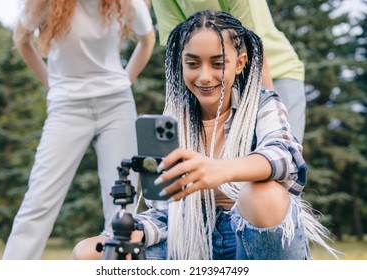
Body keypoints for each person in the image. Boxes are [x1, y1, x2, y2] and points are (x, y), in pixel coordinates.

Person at [71, 10, 337, 260]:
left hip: (252, 238)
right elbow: (165, 212)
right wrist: (140, 232)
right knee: (88, 253)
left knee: (261, 195)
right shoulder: (172, 121)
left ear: (240, 63)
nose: (204, 76)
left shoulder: (261, 103)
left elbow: (286, 157)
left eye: (218, 63)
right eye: (193, 64)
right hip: (193, 240)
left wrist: (220, 170)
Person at [3, 0, 155, 259]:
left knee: (122, 203)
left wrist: (123, 82)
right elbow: (22, 40)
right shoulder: (44, 4)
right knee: (39, 200)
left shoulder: (126, 2)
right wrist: (52, 85)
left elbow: (147, 40)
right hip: (67, 106)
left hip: (116, 105)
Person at [150, 0, 306, 143]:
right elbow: (177, 45)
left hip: (275, 72)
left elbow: (256, 51)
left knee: (281, 151)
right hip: (220, 75)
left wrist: (269, 109)